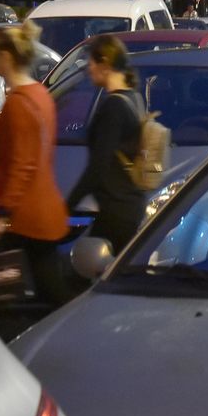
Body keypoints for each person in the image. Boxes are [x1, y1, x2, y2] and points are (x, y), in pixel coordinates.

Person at [0, 22, 71, 303]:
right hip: (42, 210)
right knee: (45, 291)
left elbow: (23, 164)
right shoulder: (40, 95)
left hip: (25, 216)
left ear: (7, 57)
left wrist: (2, 215)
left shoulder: (19, 103)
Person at [67, 35, 146, 254]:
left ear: (104, 64)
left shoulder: (113, 108)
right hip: (129, 205)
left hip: (116, 210)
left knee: (88, 270)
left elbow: (98, 166)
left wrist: (67, 205)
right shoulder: (134, 98)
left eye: (91, 62)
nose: (88, 69)